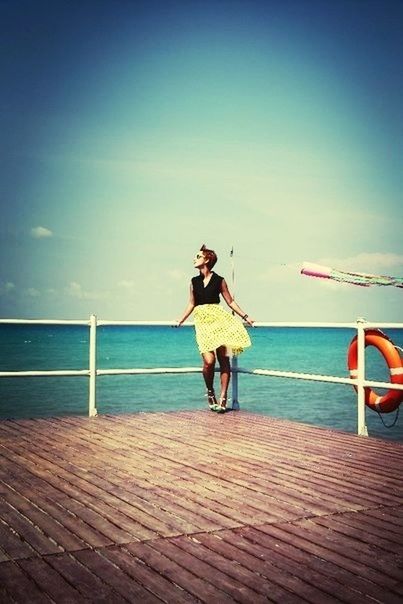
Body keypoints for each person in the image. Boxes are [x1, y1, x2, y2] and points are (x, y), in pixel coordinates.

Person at [176, 244, 254, 413]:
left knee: (224, 359)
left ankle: (224, 397)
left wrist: (246, 317)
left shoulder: (219, 280)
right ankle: (210, 391)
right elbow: (192, 303)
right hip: (203, 324)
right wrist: (181, 320)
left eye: (198, 256)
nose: (194, 259)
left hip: (220, 322)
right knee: (209, 361)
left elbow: (230, 302)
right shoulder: (193, 282)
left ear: (207, 259)